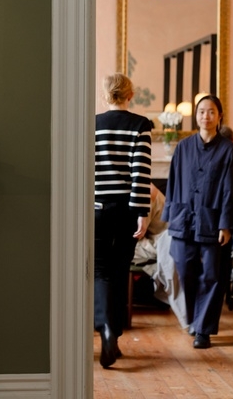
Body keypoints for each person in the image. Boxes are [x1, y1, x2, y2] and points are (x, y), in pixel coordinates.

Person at [161, 94, 233, 349]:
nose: (206, 116)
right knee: (185, 269)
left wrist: (225, 224)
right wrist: (170, 217)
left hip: (212, 221)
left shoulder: (227, 150)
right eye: (202, 111)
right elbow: (173, 183)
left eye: (211, 111)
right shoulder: (183, 147)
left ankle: (203, 330)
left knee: (212, 274)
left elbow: (230, 189)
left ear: (219, 116)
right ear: (196, 116)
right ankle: (195, 319)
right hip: (183, 219)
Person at [94, 73, 152, 368]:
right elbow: (140, 174)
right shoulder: (140, 126)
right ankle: (113, 334)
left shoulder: (92, 125)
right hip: (125, 212)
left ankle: (106, 331)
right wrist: (142, 213)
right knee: (120, 271)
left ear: (106, 95)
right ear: (131, 94)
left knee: (101, 272)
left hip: (96, 209)